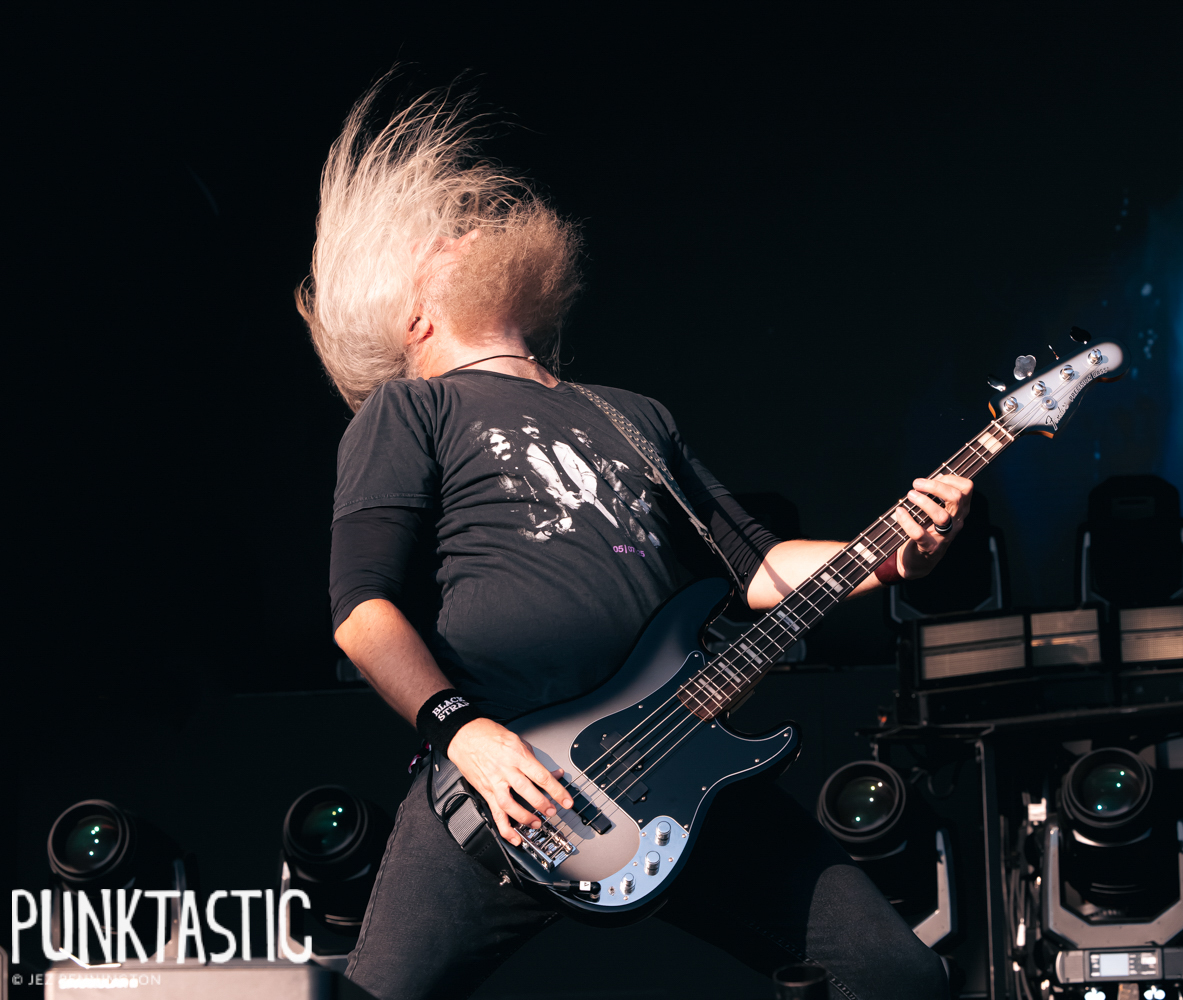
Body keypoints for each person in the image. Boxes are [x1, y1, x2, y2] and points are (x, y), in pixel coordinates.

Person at [298, 77, 972, 1000]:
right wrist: (467, 736)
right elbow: (360, 610)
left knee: (903, 977)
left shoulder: (630, 414)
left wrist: (900, 550)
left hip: (677, 758)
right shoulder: (412, 410)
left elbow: (761, 569)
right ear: (413, 318)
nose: (463, 234)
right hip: (506, 780)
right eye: (439, 242)